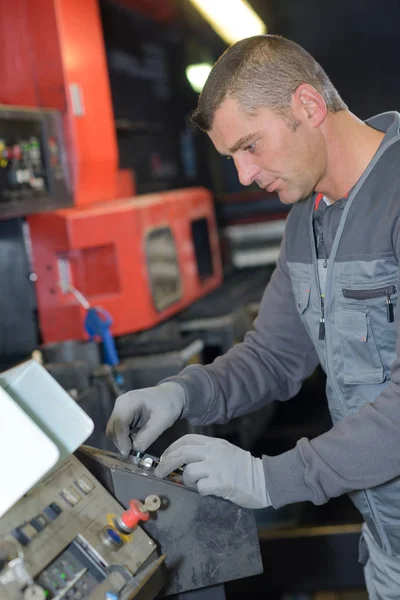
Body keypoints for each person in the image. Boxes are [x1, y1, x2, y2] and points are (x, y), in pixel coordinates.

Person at [106, 35, 400, 598]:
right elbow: (273, 355)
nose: (242, 176)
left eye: (250, 146)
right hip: (388, 545)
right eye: (231, 158)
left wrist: (270, 479)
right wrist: (182, 393)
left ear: (308, 107)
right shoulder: (306, 222)